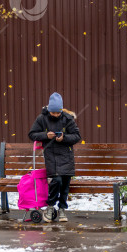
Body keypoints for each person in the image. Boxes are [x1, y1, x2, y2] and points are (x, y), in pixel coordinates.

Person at [28, 92, 81, 222]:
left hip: (66, 156)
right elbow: (32, 134)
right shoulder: (42, 118)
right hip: (51, 156)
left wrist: (64, 138)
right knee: (56, 181)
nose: (56, 115)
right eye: (53, 113)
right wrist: (46, 136)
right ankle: (51, 206)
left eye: (58, 112)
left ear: (61, 110)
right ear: (49, 110)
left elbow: (77, 136)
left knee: (65, 184)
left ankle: (62, 209)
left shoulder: (68, 119)